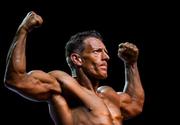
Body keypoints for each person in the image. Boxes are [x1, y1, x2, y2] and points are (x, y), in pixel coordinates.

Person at [4, 11, 145, 125]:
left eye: (106, 52)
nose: (106, 57)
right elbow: (16, 79)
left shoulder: (109, 95)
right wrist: (23, 30)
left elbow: (135, 104)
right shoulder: (64, 86)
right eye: (97, 52)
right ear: (77, 59)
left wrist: (131, 63)